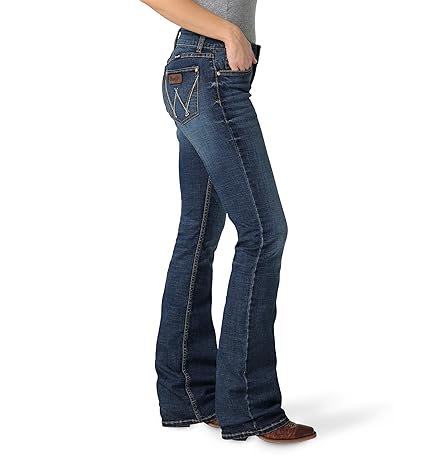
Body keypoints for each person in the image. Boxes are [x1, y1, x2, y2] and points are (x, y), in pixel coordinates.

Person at [140, 0, 317, 443]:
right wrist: (228, 31)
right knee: (264, 233)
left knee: (197, 236)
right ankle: (251, 407)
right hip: (210, 71)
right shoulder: (219, 41)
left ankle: (191, 395)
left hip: (201, 72)